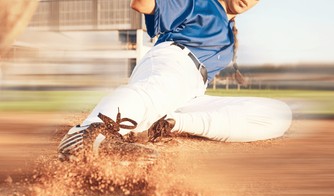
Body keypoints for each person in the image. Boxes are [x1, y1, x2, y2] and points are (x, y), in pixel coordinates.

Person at [58, 0, 292, 160]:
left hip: (192, 91)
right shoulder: (200, 3)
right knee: (157, 89)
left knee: (279, 113)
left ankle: (168, 124)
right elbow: (142, 3)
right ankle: (86, 134)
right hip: (174, 60)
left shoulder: (230, 29)